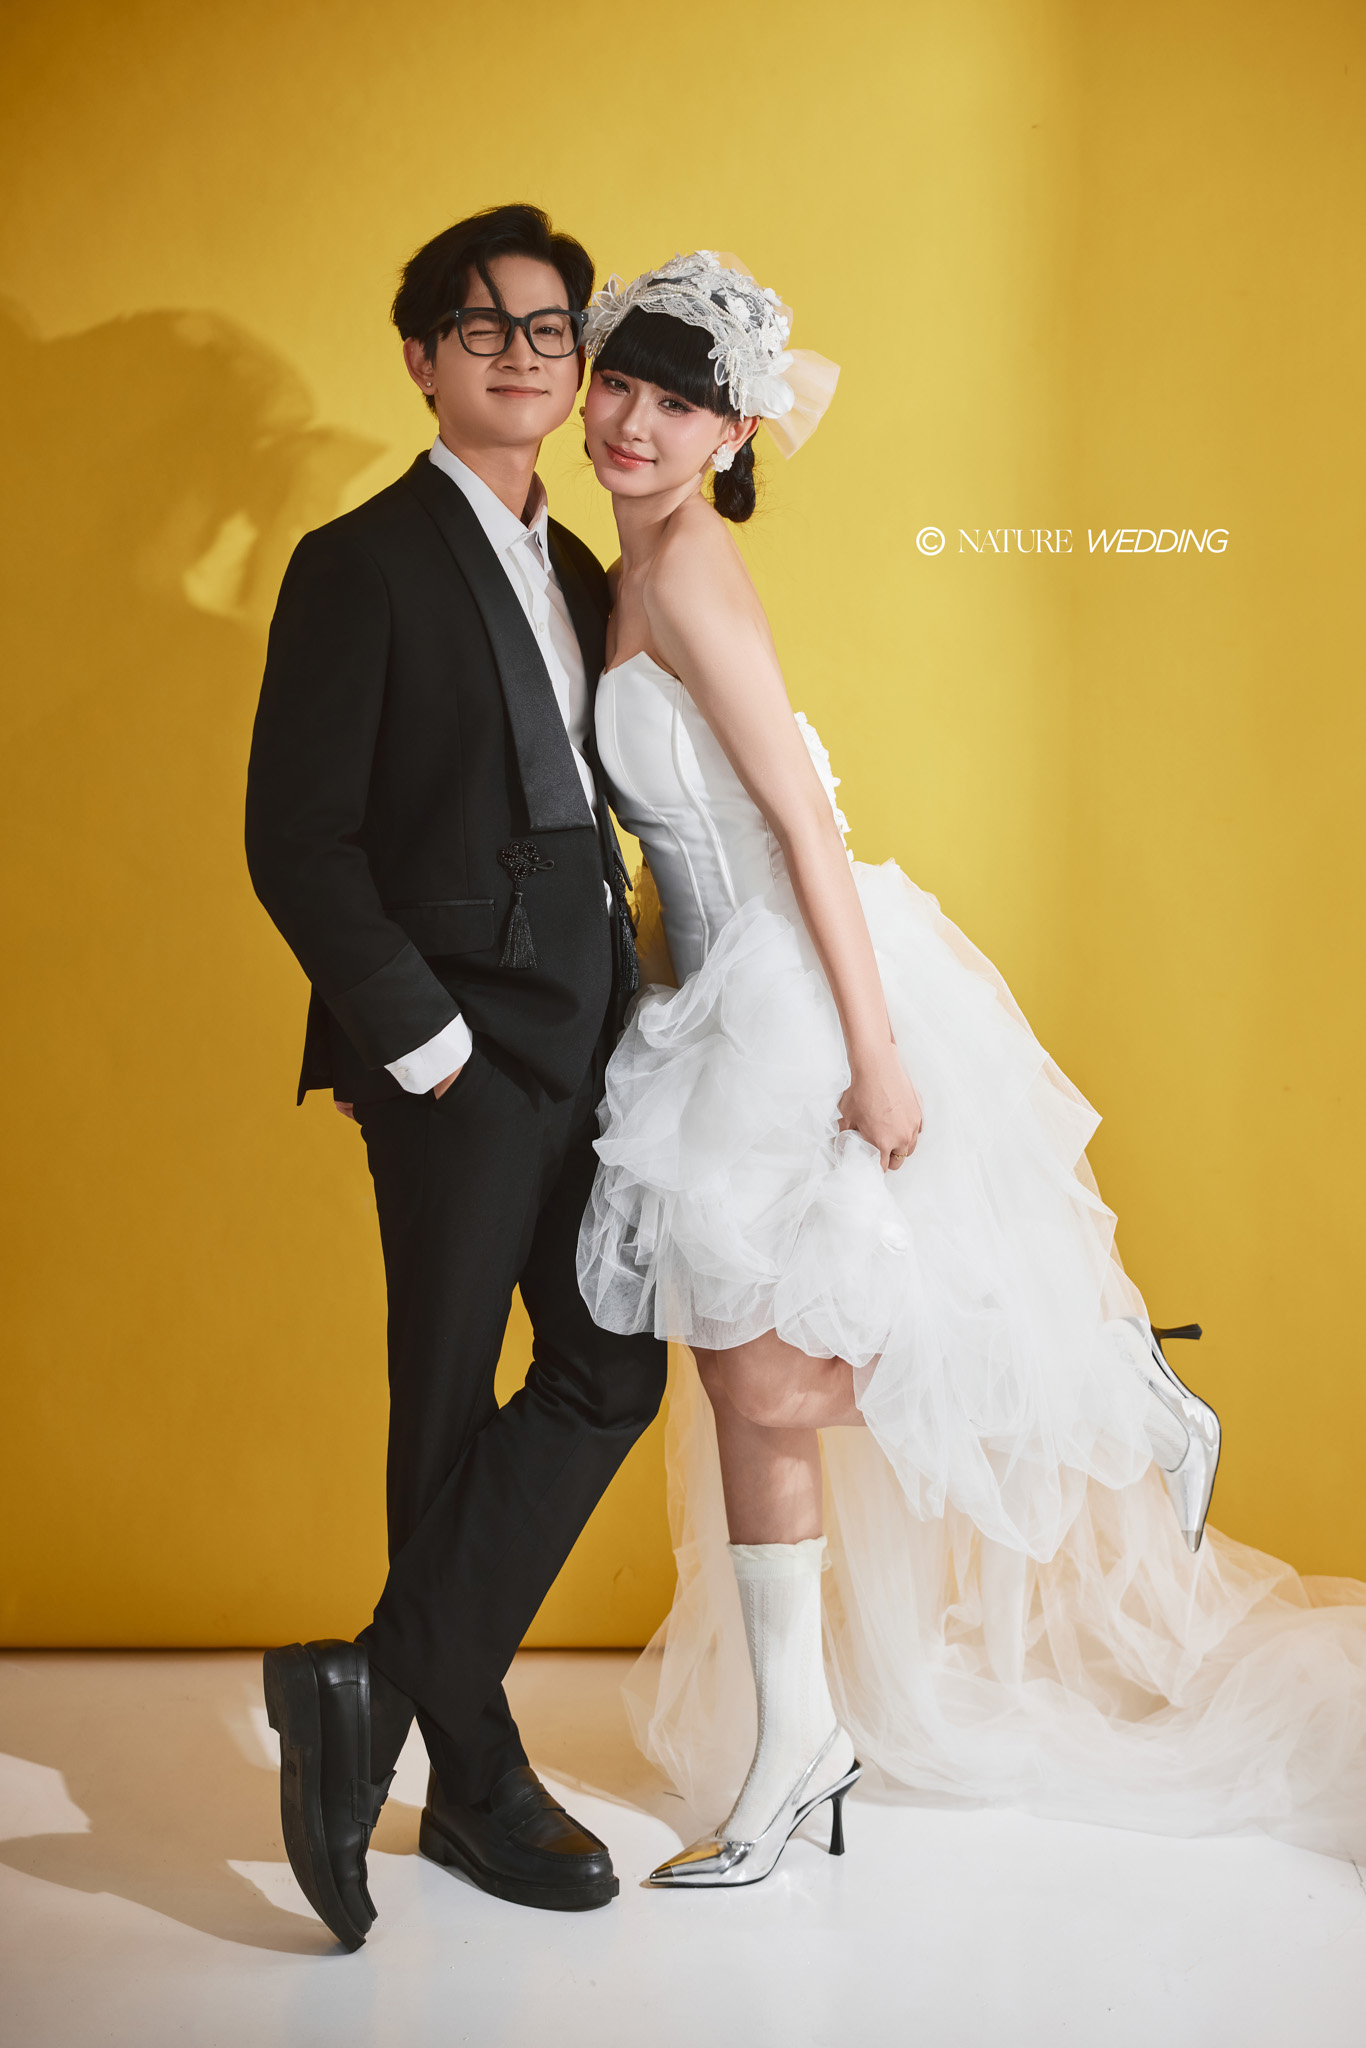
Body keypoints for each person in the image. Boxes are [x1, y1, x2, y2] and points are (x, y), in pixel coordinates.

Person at [573, 251, 1366, 1886]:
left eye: (675, 405)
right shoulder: (626, 564)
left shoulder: (694, 569)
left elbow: (800, 825)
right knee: (742, 1384)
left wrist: (872, 1054)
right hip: (710, 991)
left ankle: (1110, 1397)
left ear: (732, 435)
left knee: (759, 1371)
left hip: (794, 984)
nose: (631, 424)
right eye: (618, 387)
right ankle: (800, 1742)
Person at [244, 204, 667, 1949]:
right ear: (421, 358)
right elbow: (297, 837)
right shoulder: (357, 562)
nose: (521, 354)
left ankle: (366, 1686)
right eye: (481, 327)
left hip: (597, 1036)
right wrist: (425, 1048)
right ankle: (472, 1776)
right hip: (454, 1053)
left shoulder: (588, 571)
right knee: (441, 1399)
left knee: (608, 1363)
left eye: (550, 328)